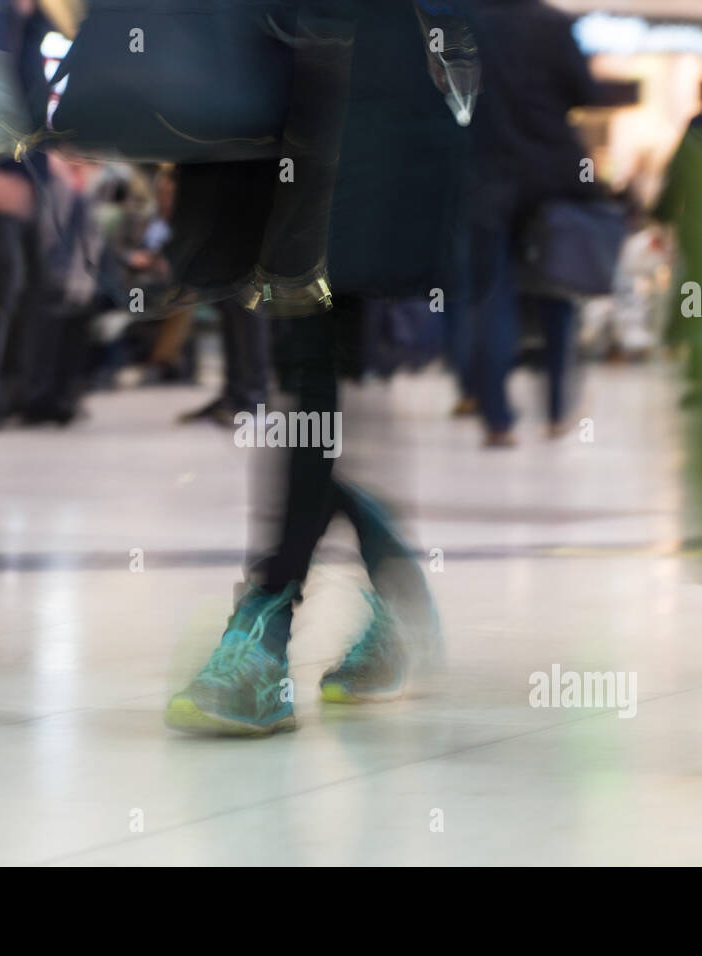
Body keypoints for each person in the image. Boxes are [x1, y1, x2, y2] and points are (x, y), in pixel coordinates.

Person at [161, 0, 461, 735]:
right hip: (251, 98)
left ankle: (266, 627)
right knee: (316, 378)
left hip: (345, 95)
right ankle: (382, 577)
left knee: (313, 368)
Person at [467, 0, 598, 447]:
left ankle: (498, 418)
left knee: (492, 296)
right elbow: (584, 91)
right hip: (550, 174)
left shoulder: (467, 24)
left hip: (487, 174)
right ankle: (558, 408)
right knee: (556, 290)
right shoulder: (554, 24)